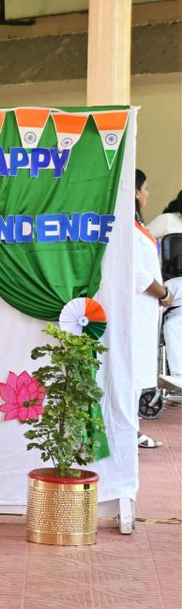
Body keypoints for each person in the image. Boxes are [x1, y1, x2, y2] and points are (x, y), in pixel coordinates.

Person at [132, 170, 173, 449]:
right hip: (137, 306)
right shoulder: (127, 227)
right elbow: (138, 274)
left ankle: (131, 429)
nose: (148, 193)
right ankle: (128, 431)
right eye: (145, 188)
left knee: (136, 371)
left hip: (145, 310)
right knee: (131, 371)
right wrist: (165, 293)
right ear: (135, 192)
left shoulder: (137, 225)